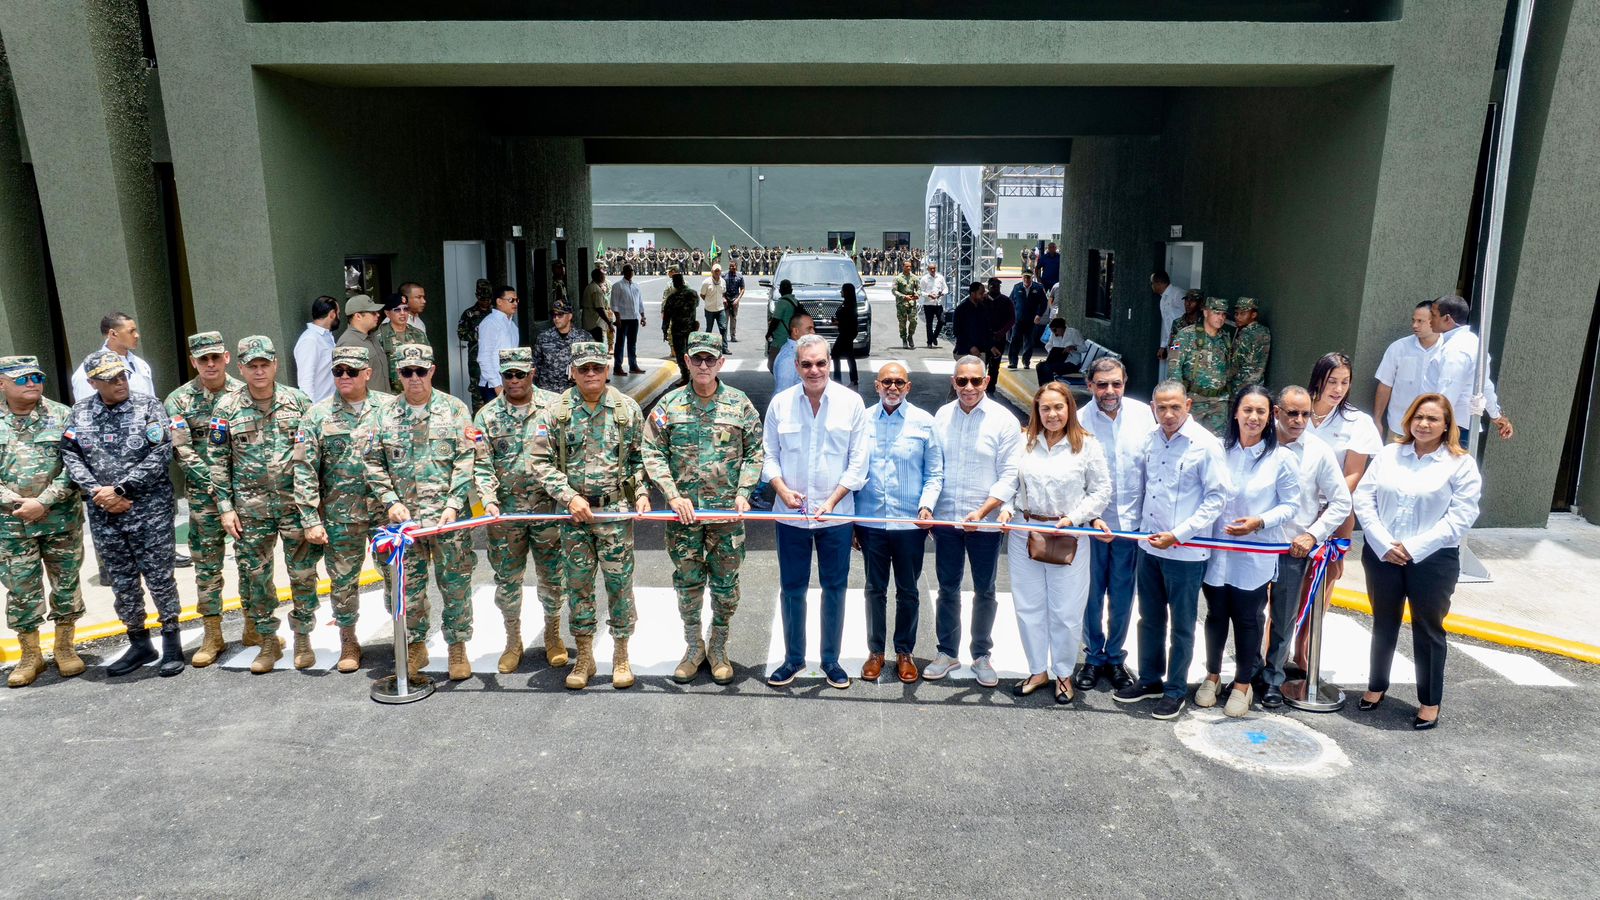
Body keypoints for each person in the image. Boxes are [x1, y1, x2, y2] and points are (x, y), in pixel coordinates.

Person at [1353, 393, 1482, 730]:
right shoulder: (1389, 454)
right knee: (1383, 622)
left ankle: (1429, 701)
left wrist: (1412, 547)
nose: (1424, 424)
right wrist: (1383, 542)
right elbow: (1364, 498)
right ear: (1408, 419)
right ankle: (1376, 686)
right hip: (1383, 554)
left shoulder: (1460, 463)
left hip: (1433, 560)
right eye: (1418, 417)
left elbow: (1461, 516)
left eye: (1433, 419)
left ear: (1446, 425)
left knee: (1428, 629)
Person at [529, 342, 652, 690]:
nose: (591, 374)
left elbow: (640, 460)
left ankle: (621, 655)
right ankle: (584, 657)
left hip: (614, 515)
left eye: (597, 367)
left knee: (619, 587)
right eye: (583, 369)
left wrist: (641, 493)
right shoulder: (556, 412)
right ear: (573, 371)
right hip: (575, 518)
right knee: (579, 587)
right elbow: (540, 461)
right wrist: (568, 498)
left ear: (607, 369)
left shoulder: (627, 410)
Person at [642, 333, 763, 685]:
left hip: (726, 517)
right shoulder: (669, 407)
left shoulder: (740, 405)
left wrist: (744, 492)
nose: (704, 366)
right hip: (685, 518)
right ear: (687, 361)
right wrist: (672, 494)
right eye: (698, 359)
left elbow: (755, 451)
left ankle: (719, 647)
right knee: (688, 585)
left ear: (721, 362)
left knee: (726, 587)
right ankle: (694, 647)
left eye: (711, 359)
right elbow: (652, 451)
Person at [981, 382, 1111, 703]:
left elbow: (1101, 491)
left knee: (1066, 610)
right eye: (1045, 408)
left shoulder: (1087, 446)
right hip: (1026, 531)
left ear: (1069, 409)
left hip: (1067, 534)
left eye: (1058, 407)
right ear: (1036, 411)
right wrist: (1007, 509)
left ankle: (1064, 673)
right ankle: (1038, 669)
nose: (1052, 414)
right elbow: (1012, 482)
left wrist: (1076, 516)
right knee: (1028, 606)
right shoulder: (1025, 442)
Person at [60, 350, 183, 677]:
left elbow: (161, 453)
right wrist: (98, 492)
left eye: (122, 376)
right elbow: (70, 455)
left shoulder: (148, 407)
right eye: (110, 379)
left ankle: (172, 642)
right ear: (92, 382)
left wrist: (120, 489)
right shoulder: (80, 413)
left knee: (160, 577)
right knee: (123, 582)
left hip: (149, 509)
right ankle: (140, 643)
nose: (119, 383)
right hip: (105, 514)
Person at [1113, 380, 1230, 720]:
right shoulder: (1149, 441)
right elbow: (1143, 489)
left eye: (1175, 407)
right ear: (1153, 407)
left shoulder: (1205, 445)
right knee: (1149, 619)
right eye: (1161, 407)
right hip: (1149, 547)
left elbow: (1216, 499)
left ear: (1188, 405)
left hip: (1186, 553)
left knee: (1181, 625)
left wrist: (1179, 534)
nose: (1167, 414)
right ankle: (1150, 679)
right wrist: (1137, 533)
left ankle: (1175, 689)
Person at [362, 343, 477, 683]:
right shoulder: (382, 415)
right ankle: (415, 647)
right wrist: (390, 500)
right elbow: (372, 463)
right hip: (404, 523)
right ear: (398, 374)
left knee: (455, 586)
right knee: (407, 589)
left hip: (448, 520)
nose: (414, 379)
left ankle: (457, 647)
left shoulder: (455, 410)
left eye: (420, 371)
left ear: (432, 370)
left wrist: (455, 503)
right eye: (406, 372)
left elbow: (466, 460)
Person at [762, 334, 870, 690]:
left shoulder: (851, 403)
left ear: (829, 363)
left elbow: (858, 463)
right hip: (790, 515)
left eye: (821, 363)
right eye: (806, 364)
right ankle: (793, 658)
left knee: (834, 588)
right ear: (796, 366)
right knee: (792, 588)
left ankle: (830, 660)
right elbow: (770, 457)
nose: (814, 370)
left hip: (835, 516)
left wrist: (834, 500)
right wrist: (780, 488)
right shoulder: (780, 404)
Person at [208, 336, 320, 674]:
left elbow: (312, 457)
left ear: (275, 365)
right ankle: (269, 640)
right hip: (249, 511)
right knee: (255, 578)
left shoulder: (298, 403)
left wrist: (313, 506)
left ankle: (302, 637)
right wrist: (226, 507)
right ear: (240, 368)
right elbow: (217, 460)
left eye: (264, 364)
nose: (259, 371)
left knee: (303, 574)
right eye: (252, 366)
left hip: (293, 505)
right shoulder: (227, 408)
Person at [1196, 386, 1301, 717]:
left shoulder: (1281, 458)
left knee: (1247, 618)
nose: (1254, 417)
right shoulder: (1217, 450)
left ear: (1271, 416)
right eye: (1248, 410)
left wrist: (1260, 521)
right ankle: (1212, 675)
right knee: (1215, 615)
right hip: (1216, 551)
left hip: (1255, 553)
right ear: (1236, 413)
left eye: (1261, 411)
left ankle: (1243, 684)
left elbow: (1291, 506)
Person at [292, 344, 392, 674]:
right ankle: (349, 641)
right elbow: (304, 468)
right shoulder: (317, 416)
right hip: (341, 517)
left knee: (398, 577)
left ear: (368, 373)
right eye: (338, 371)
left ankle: (406, 638)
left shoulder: (391, 409)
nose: (344, 377)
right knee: (344, 583)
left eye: (351, 371)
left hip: (385, 515)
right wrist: (309, 518)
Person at [926, 356, 1022, 686]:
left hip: (986, 523)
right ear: (953, 382)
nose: (969, 388)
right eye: (962, 381)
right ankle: (947, 652)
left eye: (976, 381)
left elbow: (1010, 474)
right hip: (948, 520)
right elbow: (934, 468)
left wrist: (983, 512)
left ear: (987, 380)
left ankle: (981, 654)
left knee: (985, 589)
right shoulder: (941, 417)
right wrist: (929, 508)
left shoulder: (1004, 421)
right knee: (948, 588)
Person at [473, 346, 567, 674]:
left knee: (552, 577)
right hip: (507, 515)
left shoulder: (554, 407)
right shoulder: (487, 416)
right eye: (507, 375)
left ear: (532, 374)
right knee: (507, 580)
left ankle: (553, 636)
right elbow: (481, 464)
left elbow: (566, 456)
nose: (513, 381)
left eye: (519, 374)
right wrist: (489, 499)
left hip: (546, 510)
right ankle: (513, 641)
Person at [1261, 385, 1353, 708]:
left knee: (1283, 619)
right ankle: (1246, 677)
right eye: (1292, 413)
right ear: (1276, 413)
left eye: (1305, 414)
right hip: (1254, 547)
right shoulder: (1257, 440)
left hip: (1293, 549)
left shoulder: (1318, 450)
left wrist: (1314, 534)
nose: (1300, 420)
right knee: (1247, 616)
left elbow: (1342, 501)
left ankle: (1273, 678)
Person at [853, 362, 942, 684]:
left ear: (908, 387)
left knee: (908, 590)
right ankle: (876, 652)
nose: (893, 388)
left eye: (899, 383)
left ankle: (904, 652)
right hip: (871, 522)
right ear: (876, 386)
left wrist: (926, 506)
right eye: (886, 382)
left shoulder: (924, 423)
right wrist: (851, 521)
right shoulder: (861, 421)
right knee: (874, 589)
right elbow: (851, 470)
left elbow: (934, 474)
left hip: (909, 524)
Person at [0, 356, 85, 687]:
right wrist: (17, 503)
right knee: (21, 589)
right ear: (2, 384)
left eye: (37, 376)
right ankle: (30, 654)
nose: (32, 382)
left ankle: (65, 647)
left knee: (66, 583)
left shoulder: (63, 415)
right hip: (11, 523)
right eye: (22, 379)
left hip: (59, 518)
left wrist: (43, 501)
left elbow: (76, 466)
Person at [163, 331, 245, 667]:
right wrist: (216, 485)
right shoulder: (179, 400)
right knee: (207, 567)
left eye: (215, 357)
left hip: (244, 496)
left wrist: (231, 487)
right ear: (193, 361)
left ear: (226, 357)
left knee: (253, 563)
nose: (210, 364)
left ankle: (255, 627)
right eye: (202, 359)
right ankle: (213, 634)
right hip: (203, 498)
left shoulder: (244, 393)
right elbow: (181, 450)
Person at [1076, 358, 1156, 691]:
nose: (1110, 391)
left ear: (1124, 382)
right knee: (1090, 597)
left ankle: (1115, 657)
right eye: (1102, 384)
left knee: (1123, 597)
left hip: (1131, 526)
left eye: (1116, 384)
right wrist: (1089, 516)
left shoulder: (1144, 416)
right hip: (1093, 526)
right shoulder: (1078, 421)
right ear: (1090, 384)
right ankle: (1093, 657)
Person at [1428, 294, 1514, 443]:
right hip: (1458, 428)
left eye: (1433, 315)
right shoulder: (1474, 343)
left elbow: (1447, 391)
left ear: (1447, 319)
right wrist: (1496, 415)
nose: (1430, 320)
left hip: (1449, 430)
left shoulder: (1456, 348)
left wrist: (1431, 426)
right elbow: (1484, 385)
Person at [1308, 351, 1385, 494]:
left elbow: (1353, 475)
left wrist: (1331, 506)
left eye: (1345, 382)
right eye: (1332, 381)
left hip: (1328, 503)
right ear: (1318, 380)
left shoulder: (1359, 421)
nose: (1339, 389)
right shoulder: (1295, 412)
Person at [1373, 300, 1442, 441]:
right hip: (1398, 427)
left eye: (1420, 321)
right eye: (1413, 320)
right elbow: (1385, 385)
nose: (1414, 325)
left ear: (1434, 320)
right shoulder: (1398, 348)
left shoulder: (1448, 351)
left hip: (1434, 432)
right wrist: (1377, 420)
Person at [1171, 296, 1235, 434]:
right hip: (1194, 400)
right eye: (1217, 313)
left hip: (1219, 402)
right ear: (1206, 312)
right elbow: (1173, 368)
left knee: (1217, 443)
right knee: (1189, 439)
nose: (1221, 317)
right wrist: (1178, 399)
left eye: (1223, 314)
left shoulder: (1225, 337)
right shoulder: (1186, 335)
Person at [70, 312, 156, 402]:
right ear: (113, 334)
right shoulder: (90, 371)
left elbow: (152, 400)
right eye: (131, 331)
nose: (136, 335)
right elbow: (87, 409)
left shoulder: (141, 364)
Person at [336, 293, 391, 394]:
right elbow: (346, 383)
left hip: (382, 403)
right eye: (373, 312)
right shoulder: (348, 343)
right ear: (358, 316)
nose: (378, 314)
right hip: (366, 407)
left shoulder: (371, 336)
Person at [475, 285, 520, 404]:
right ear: (499, 302)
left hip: (510, 381)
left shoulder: (513, 326)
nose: (515, 303)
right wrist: (497, 385)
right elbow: (484, 358)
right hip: (493, 385)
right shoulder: (490, 323)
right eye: (511, 300)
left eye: (516, 300)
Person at [457, 278, 496, 412]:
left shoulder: (496, 312)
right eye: (482, 298)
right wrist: (479, 336)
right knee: (478, 395)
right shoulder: (469, 313)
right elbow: (461, 334)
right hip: (476, 360)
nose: (485, 302)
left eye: (488, 298)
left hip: (494, 359)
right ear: (477, 296)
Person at [292, 296, 340, 403]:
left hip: (332, 405)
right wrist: (312, 412)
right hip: (320, 408)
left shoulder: (327, 337)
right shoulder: (310, 340)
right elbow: (305, 381)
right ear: (332, 314)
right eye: (338, 314)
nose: (339, 317)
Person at [376, 292, 430, 386]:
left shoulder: (418, 334)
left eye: (406, 309)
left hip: (415, 387)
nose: (402, 313)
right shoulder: (379, 336)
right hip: (391, 392)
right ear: (387, 313)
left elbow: (428, 362)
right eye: (397, 310)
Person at [532, 299, 582, 394]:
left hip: (573, 392)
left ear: (570, 316)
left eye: (560, 315)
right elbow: (535, 366)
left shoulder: (583, 338)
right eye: (554, 315)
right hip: (547, 392)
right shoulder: (543, 337)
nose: (556, 318)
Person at [661, 271, 699, 385]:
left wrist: (664, 330)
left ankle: (685, 375)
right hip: (691, 327)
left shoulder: (672, 297)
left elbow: (666, 317)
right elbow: (696, 304)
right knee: (691, 351)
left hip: (677, 329)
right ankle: (694, 374)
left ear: (674, 283)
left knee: (680, 353)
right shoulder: (692, 294)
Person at [1006, 270, 1049, 369]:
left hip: (1032, 320)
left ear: (1032, 278)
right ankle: (1013, 361)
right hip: (1018, 320)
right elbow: (1011, 301)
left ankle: (1026, 362)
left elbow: (1044, 303)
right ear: (1022, 277)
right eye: (1024, 277)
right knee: (1014, 340)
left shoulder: (1038, 288)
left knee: (1029, 342)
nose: (1026, 279)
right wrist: (1011, 315)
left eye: (1028, 277)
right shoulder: (1017, 287)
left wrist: (1039, 315)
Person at [610, 264, 646, 375]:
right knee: (620, 344)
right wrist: (618, 318)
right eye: (628, 270)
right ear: (624, 272)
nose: (631, 272)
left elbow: (639, 302)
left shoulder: (636, 286)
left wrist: (642, 316)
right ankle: (617, 367)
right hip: (623, 320)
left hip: (634, 319)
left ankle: (633, 366)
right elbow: (614, 304)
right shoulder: (618, 286)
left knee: (632, 343)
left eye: (632, 270)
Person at [1229, 297, 1271, 392]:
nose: (1238, 317)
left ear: (1253, 314)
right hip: (1257, 385)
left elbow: (1235, 364)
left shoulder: (1246, 335)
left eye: (1243, 314)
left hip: (1240, 386)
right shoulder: (1264, 331)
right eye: (1236, 313)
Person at [1152, 270, 1185, 382]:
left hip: (1183, 340)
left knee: (1181, 367)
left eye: (1153, 283)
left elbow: (1189, 315)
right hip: (1173, 341)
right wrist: (1163, 346)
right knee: (1173, 368)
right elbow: (1167, 325)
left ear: (1159, 283)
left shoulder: (1177, 294)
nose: (1152, 286)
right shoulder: (1163, 299)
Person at [772, 311, 813, 396]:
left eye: (813, 328)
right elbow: (783, 394)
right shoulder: (789, 359)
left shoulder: (797, 352)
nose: (813, 332)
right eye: (809, 329)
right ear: (795, 331)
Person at [1035, 318, 1086, 386]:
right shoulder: (1054, 334)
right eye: (1052, 331)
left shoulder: (1073, 333)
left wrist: (1073, 347)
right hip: (1058, 360)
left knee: (1048, 368)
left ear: (1060, 328)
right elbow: (1048, 345)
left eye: (1055, 330)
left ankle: (1050, 388)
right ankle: (1043, 387)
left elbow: (1084, 348)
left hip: (1072, 363)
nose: (1054, 333)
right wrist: (1053, 352)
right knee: (1040, 366)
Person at [765, 278, 801, 370]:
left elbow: (775, 320)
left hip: (779, 340)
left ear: (780, 290)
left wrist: (769, 333)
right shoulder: (796, 302)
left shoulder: (781, 303)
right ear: (791, 290)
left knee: (772, 364)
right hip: (792, 339)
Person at [831, 282, 859, 386]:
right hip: (845, 332)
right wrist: (837, 322)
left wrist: (839, 322)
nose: (841, 292)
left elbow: (849, 320)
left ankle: (838, 379)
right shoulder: (847, 303)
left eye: (842, 290)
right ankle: (853, 379)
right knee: (848, 355)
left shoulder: (849, 305)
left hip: (847, 333)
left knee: (835, 353)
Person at [892, 260, 920, 350]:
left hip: (912, 303)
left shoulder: (914, 278)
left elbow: (919, 289)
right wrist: (904, 296)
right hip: (901, 304)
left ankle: (910, 336)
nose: (909, 268)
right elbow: (894, 291)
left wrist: (917, 294)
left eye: (910, 267)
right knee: (902, 323)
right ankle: (904, 339)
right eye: (907, 266)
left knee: (914, 321)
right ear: (903, 266)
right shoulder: (898, 278)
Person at [919, 262, 948, 348]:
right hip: (928, 303)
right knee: (929, 323)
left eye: (934, 268)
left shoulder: (940, 277)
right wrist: (928, 295)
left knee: (942, 321)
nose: (932, 270)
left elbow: (945, 288)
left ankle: (934, 336)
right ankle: (929, 342)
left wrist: (942, 293)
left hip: (938, 303)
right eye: (931, 269)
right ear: (928, 269)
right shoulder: (924, 279)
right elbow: (920, 291)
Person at [580, 266, 612, 343]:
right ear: (599, 277)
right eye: (603, 275)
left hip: (588, 322)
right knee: (597, 347)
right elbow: (599, 309)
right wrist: (608, 323)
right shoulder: (596, 290)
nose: (604, 277)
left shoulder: (590, 286)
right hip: (595, 324)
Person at [700, 264, 728, 346]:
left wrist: (722, 300)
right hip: (709, 310)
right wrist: (708, 301)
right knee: (709, 329)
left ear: (720, 272)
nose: (717, 272)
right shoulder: (706, 282)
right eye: (715, 271)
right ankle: (707, 346)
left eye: (718, 271)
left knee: (723, 328)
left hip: (720, 309)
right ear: (712, 272)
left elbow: (723, 293)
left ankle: (725, 347)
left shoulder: (723, 281)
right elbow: (702, 294)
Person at [724, 260, 746, 344]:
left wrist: (738, 299)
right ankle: (724, 336)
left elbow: (742, 289)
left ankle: (733, 336)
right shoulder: (724, 275)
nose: (731, 268)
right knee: (724, 319)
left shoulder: (740, 276)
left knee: (733, 319)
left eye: (733, 266)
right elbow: (721, 287)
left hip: (735, 301)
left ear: (736, 266)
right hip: (726, 300)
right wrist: (723, 298)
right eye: (730, 266)